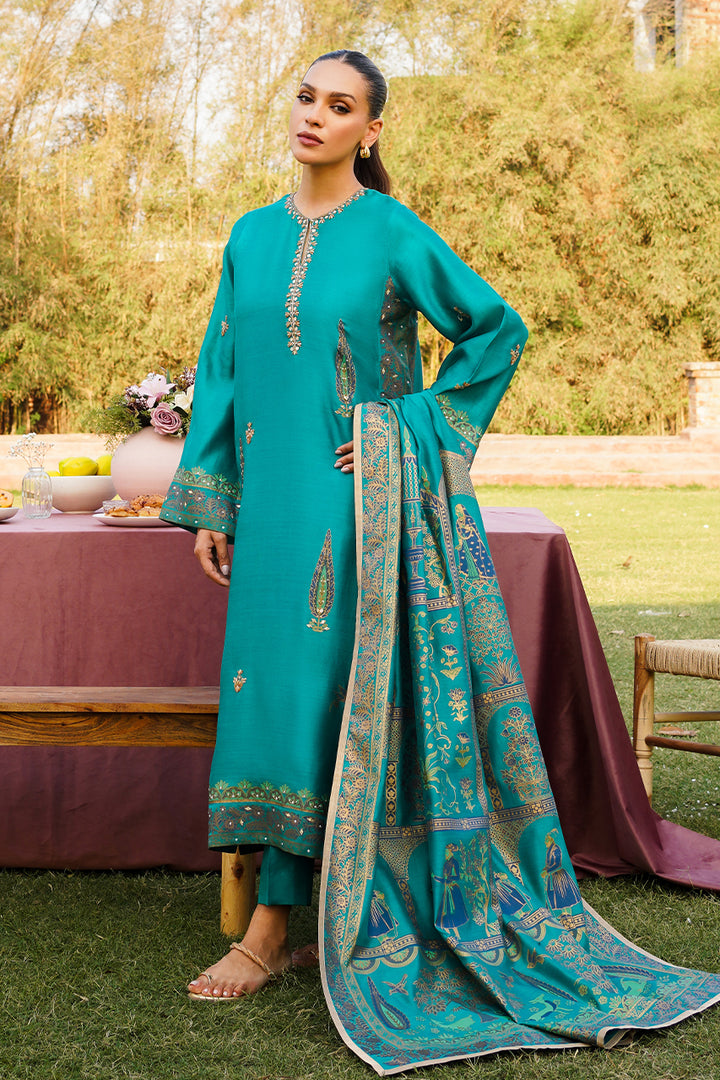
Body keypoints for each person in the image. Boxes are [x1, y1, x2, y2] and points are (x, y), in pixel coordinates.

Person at [161, 49, 720, 1074]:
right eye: (306, 98)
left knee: (331, 699)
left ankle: (277, 925)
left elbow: (494, 331)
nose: (315, 116)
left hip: (358, 508)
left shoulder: (390, 231)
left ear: (370, 130)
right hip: (271, 506)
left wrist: (405, 425)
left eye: (340, 106)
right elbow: (222, 369)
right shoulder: (248, 236)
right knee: (272, 698)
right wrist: (210, 497)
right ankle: (288, 913)